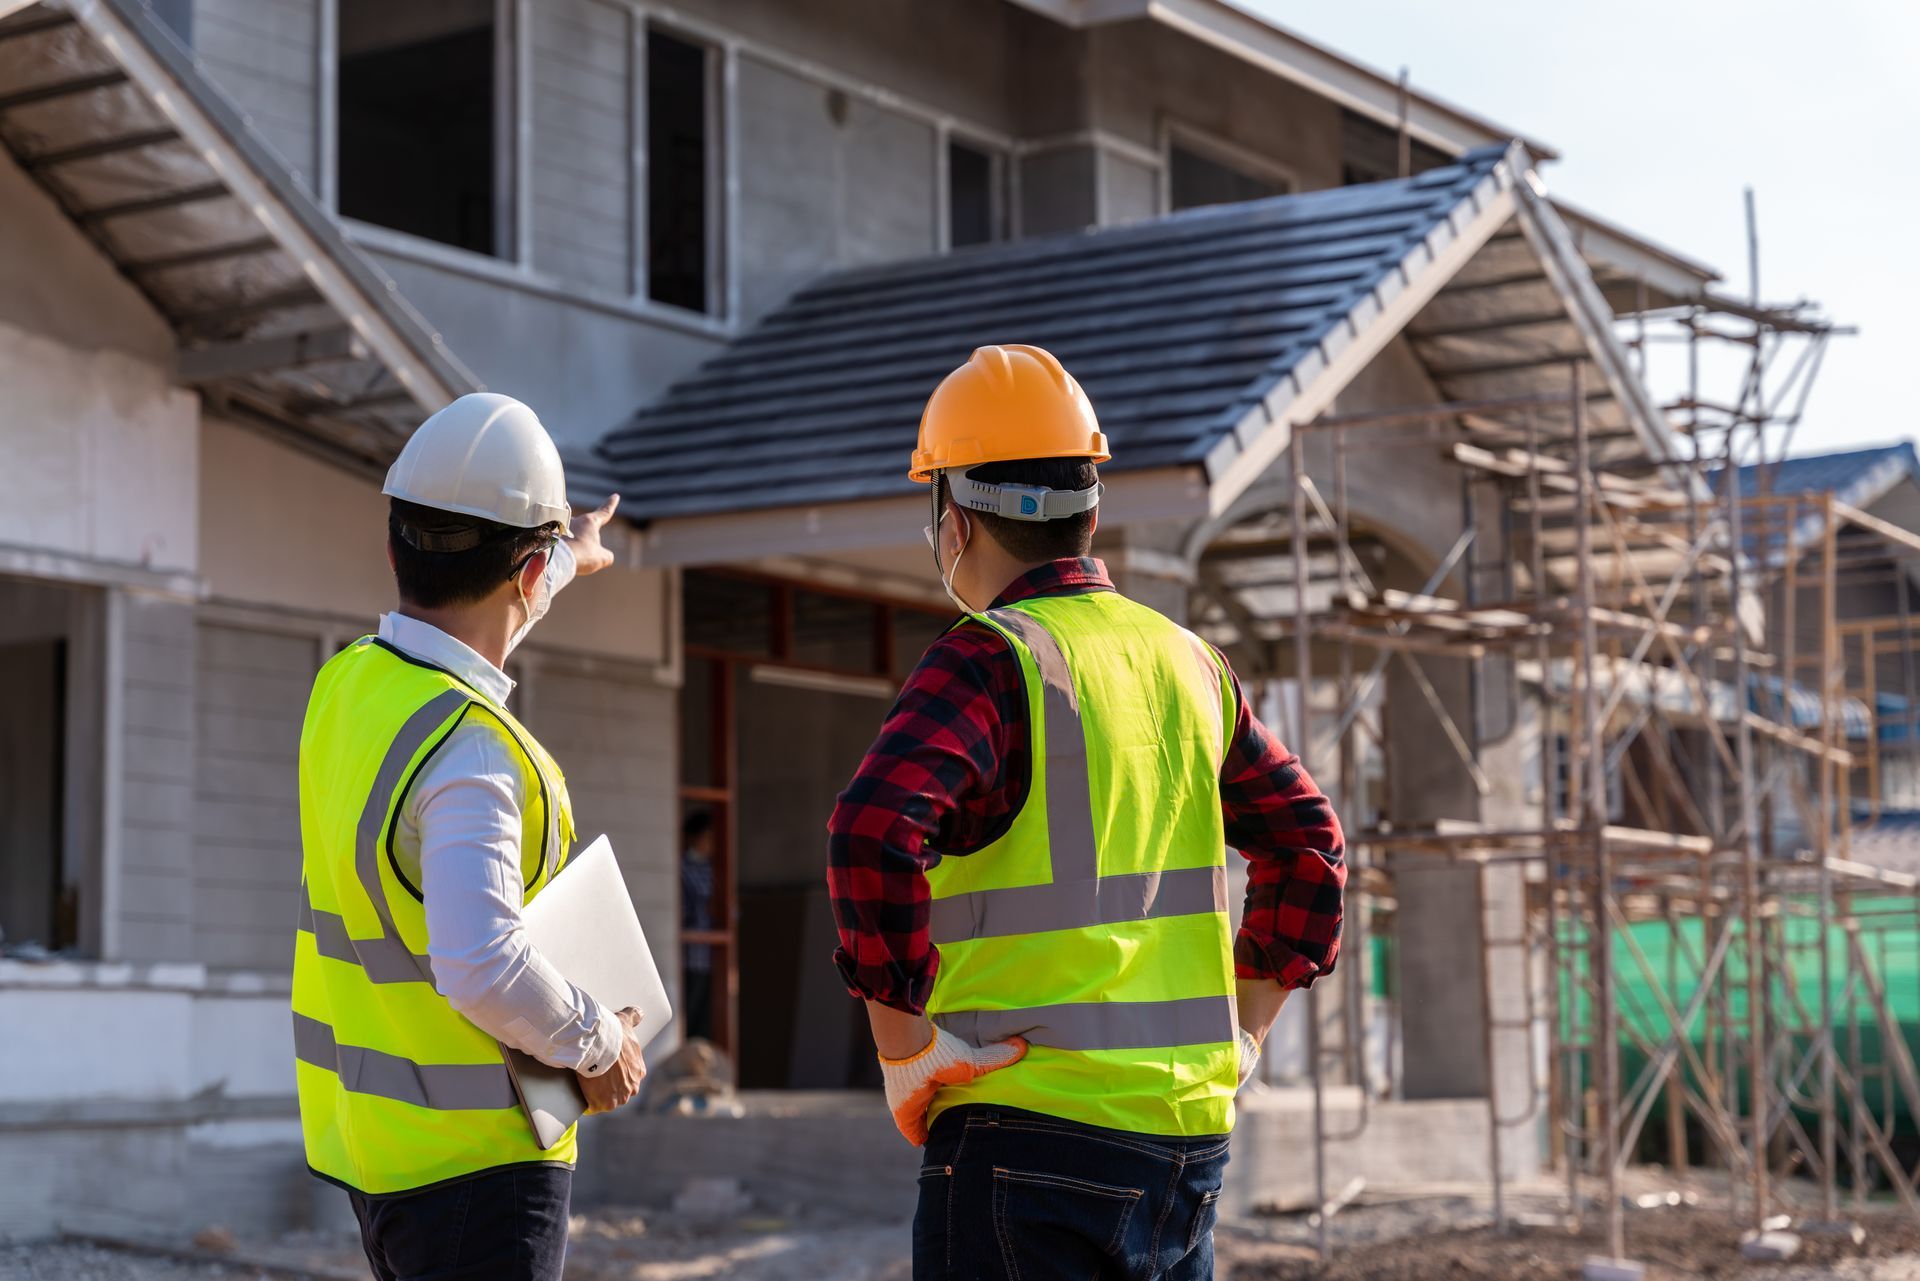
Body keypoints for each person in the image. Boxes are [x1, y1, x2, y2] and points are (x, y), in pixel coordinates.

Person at [826, 345, 1346, 1280]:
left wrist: (904, 1050)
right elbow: (1311, 845)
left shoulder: (991, 657)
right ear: (1091, 511)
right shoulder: (1190, 662)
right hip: (1185, 1149)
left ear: (951, 520)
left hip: (1027, 1141)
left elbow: (872, 830)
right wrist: (1246, 1034)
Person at [293, 393, 648, 1281]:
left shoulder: (347, 687)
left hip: (380, 1154)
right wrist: (598, 1043)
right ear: (526, 576)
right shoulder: (470, 750)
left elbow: (487, 604)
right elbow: (480, 959)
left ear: (393, 545)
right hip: (480, 1172)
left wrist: (568, 555)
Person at [680, 810, 717, 1040]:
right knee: (690, 1014)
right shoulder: (682, 868)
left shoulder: (714, 869)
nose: (711, 844)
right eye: (708, 837)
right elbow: (683, 910)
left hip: (711, 955)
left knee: (706, 1016)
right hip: (691, 955)